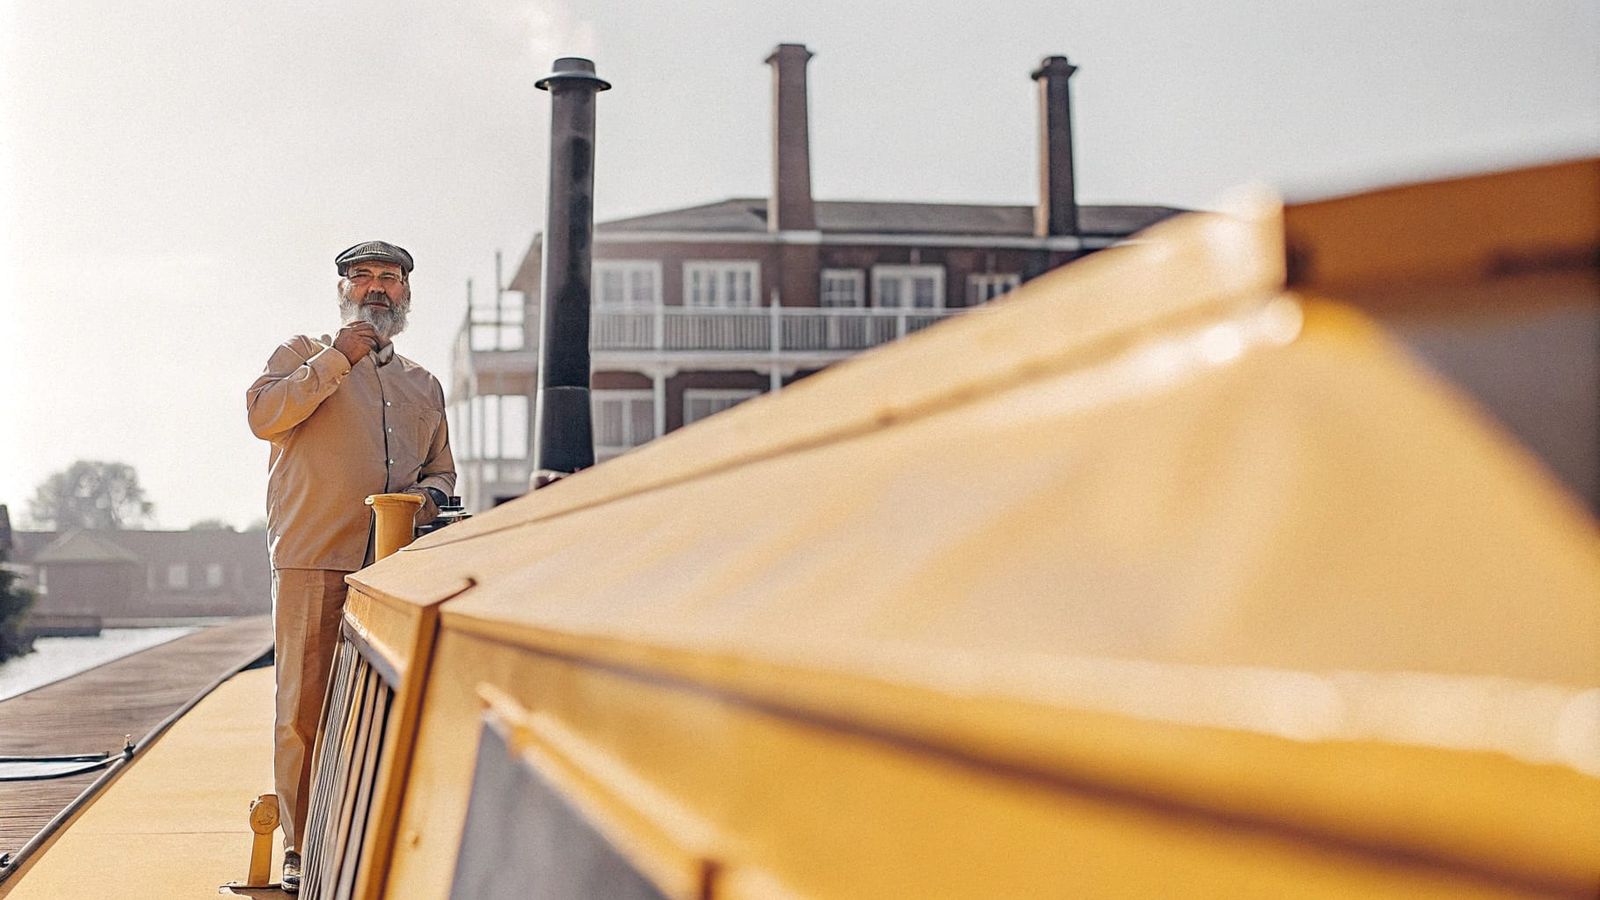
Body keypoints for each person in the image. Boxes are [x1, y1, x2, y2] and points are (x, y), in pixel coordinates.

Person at [245, 240, 455, 893]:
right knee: (303, 707)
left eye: (388, 278)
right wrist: (339, 358)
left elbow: (443, 473)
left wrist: (427, 499)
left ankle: (374, 832)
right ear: (341, 290)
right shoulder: (299, 354)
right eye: (361, 276)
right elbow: (262, 416)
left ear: (406, 293)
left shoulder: (424, 384)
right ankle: (303, 847)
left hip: (396, 569)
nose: (375, 287)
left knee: (389, 703)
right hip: (313, 557)